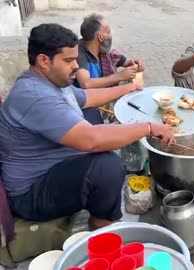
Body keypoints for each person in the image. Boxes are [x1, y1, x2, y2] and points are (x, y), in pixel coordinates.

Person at [0, 23, 174, 230]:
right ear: (44, 61)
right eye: (69, 60)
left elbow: (86, 98)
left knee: (89, 112)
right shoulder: (35, 96)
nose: (76, 65)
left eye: (75, 58)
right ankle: (102, 222)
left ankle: (98, 194)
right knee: (108, 166)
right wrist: (149, 127)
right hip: (32, 193)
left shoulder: (50, 80)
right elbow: (91, 139)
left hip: (55, 167)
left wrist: (130, 88)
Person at [74, 13, 145, 124]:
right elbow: (86, 84)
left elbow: (126, 62)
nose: (111, 35)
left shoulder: (104, 51)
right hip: (88, 105)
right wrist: (119, 76)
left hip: (104, 98)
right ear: (100, 37)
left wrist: (135, 65)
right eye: (108, 32)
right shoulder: (78, 53)